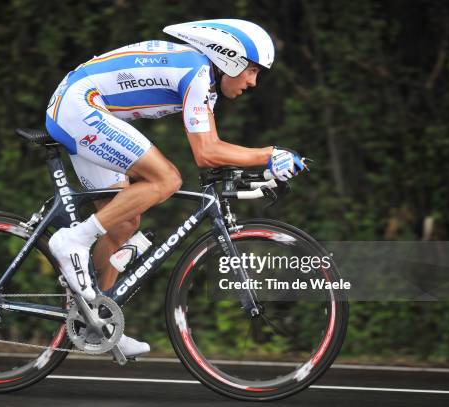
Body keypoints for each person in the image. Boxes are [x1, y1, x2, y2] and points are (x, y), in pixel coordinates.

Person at [45, 19, 306, 357]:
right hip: (79, 105)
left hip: (84, 106)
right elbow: (207, 152)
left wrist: (260, 164)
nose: (253, 82)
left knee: (122, 223)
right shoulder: (197, 73)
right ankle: (72, 240)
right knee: (167, 179)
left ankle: (96, 319)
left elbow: (212, 148)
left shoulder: (202, 79)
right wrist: (269, 155)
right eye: (252, 71)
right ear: (231, 59)